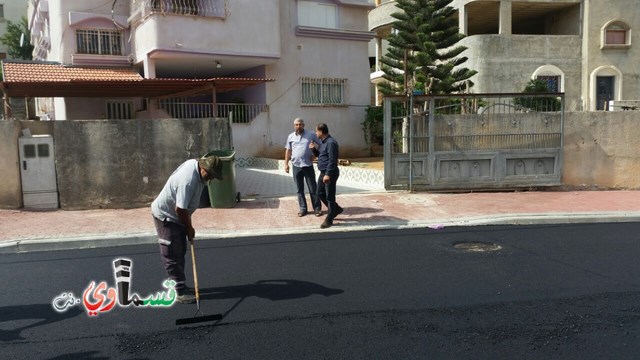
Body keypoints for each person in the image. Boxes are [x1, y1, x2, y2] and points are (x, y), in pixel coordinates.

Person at [151, 155, 223, 304]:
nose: (210, 179)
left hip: (178, 216)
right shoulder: (188, 181)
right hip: (167, 216)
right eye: (209, 174)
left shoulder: (195, 166)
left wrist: (187, 225)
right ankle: (178, 291)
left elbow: (184, 208)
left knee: (181, 249)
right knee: (171, 253)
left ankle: (181, 284)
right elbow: (180, 209)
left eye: (213, 176)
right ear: (203, 167)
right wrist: (189, 227)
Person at [284, 117, 322, 217]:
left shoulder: (311, 134)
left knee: (313, 188)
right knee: (299, 189)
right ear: (294, 126)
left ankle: (317, 209)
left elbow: (322, 144)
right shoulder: (290, 136)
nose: (298, 126)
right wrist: (286, 164)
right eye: (296, 124)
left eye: (300, 124)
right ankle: (303, 209)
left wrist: (315, 154)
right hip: (296, 166)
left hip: (308, 165)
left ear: (303, 125)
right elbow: (288, 150)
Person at [310, 123, 343, 229]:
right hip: (323, 172)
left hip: (330, 173)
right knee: (319, 193)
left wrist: (328, 174)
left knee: (329, 196)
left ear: (320, 131)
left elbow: (333, 160)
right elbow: (321, 156)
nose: (315, 133)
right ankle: (336, 209)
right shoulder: (323, 142)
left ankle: (329, 219)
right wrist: (314, 149)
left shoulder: (331, 143)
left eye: (316, 131)